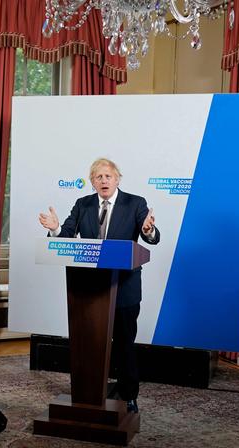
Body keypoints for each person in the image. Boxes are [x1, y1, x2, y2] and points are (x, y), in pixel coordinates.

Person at [38, 158, 159, 413]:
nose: (103, 181)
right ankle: (88, 394)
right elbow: (67, 235)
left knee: (125, 342)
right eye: (98, 177)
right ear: (92, 182)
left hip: (124, 287)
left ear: (117, 179)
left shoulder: (135, 203)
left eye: (108, 176)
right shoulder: (83, 204)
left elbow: (151, 235)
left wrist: (148, 230)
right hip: (89, 290)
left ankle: (128, 396)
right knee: (90, 342)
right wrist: (56, 228)